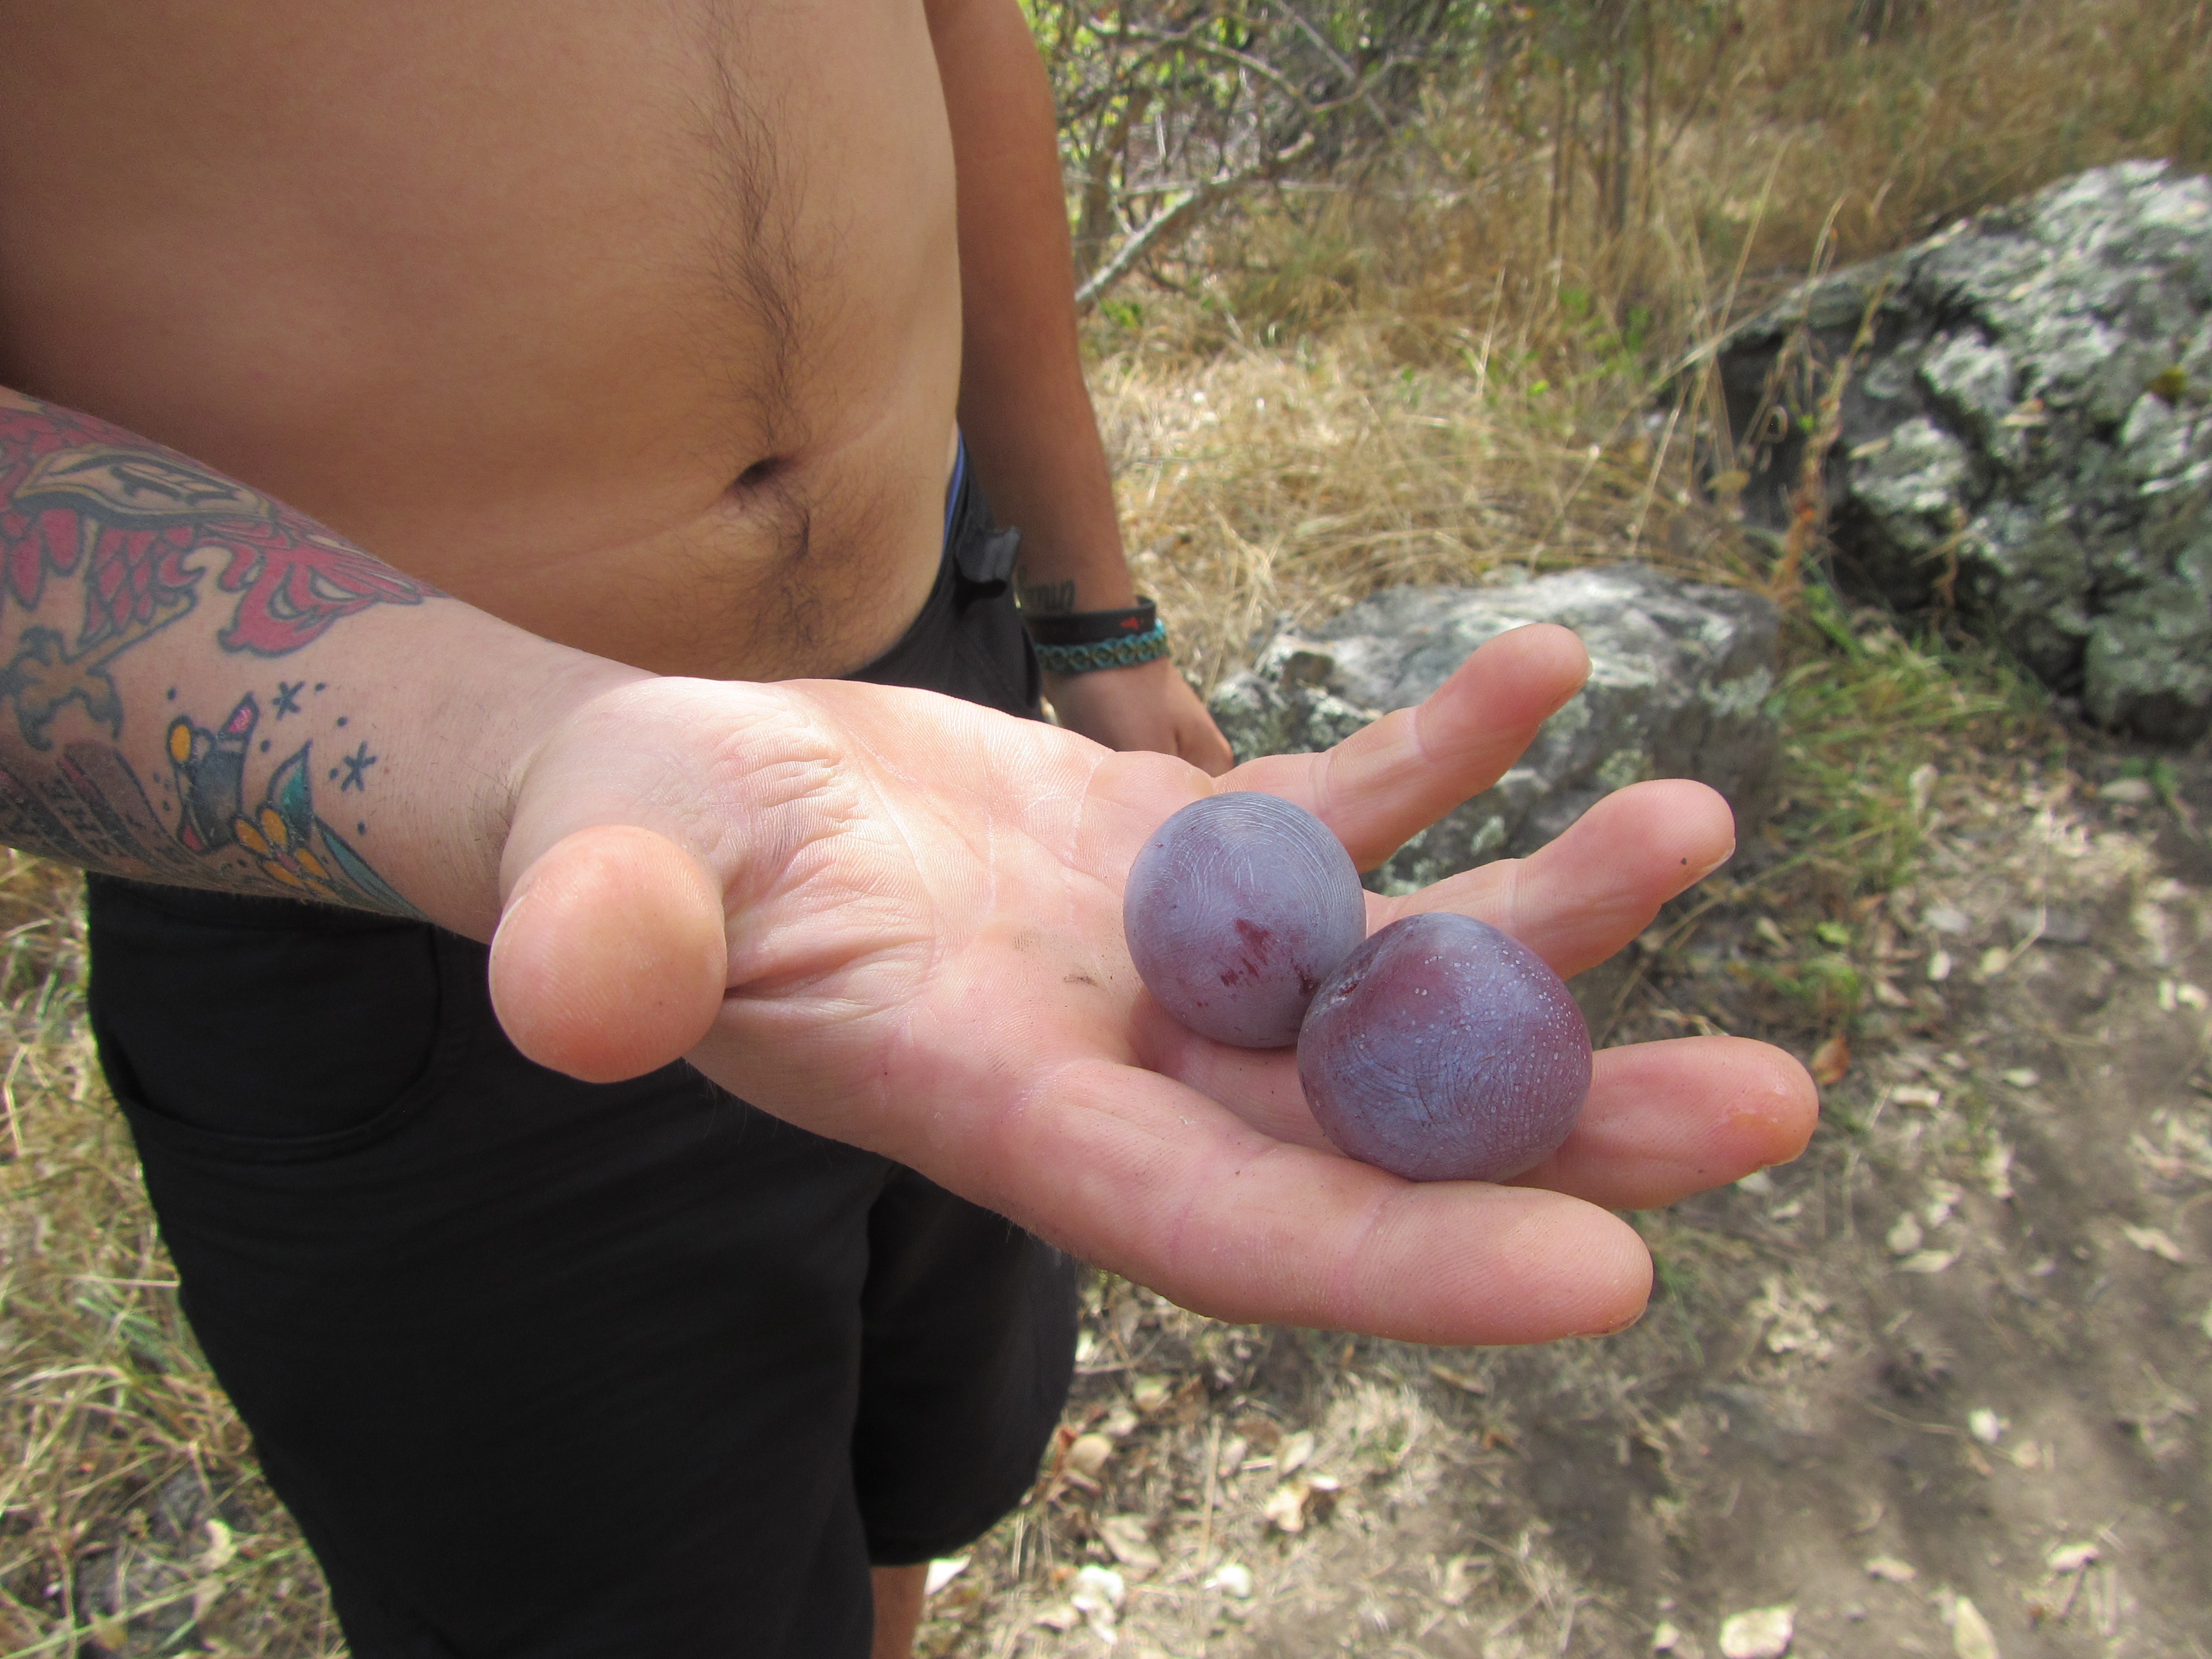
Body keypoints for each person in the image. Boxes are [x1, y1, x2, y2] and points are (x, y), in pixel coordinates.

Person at [0, 4, 1817, 1655]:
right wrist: (525, 749)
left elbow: (959, 31)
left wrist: (1091, 617)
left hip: (961, 761)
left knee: (923, 1461)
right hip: (392, 876)